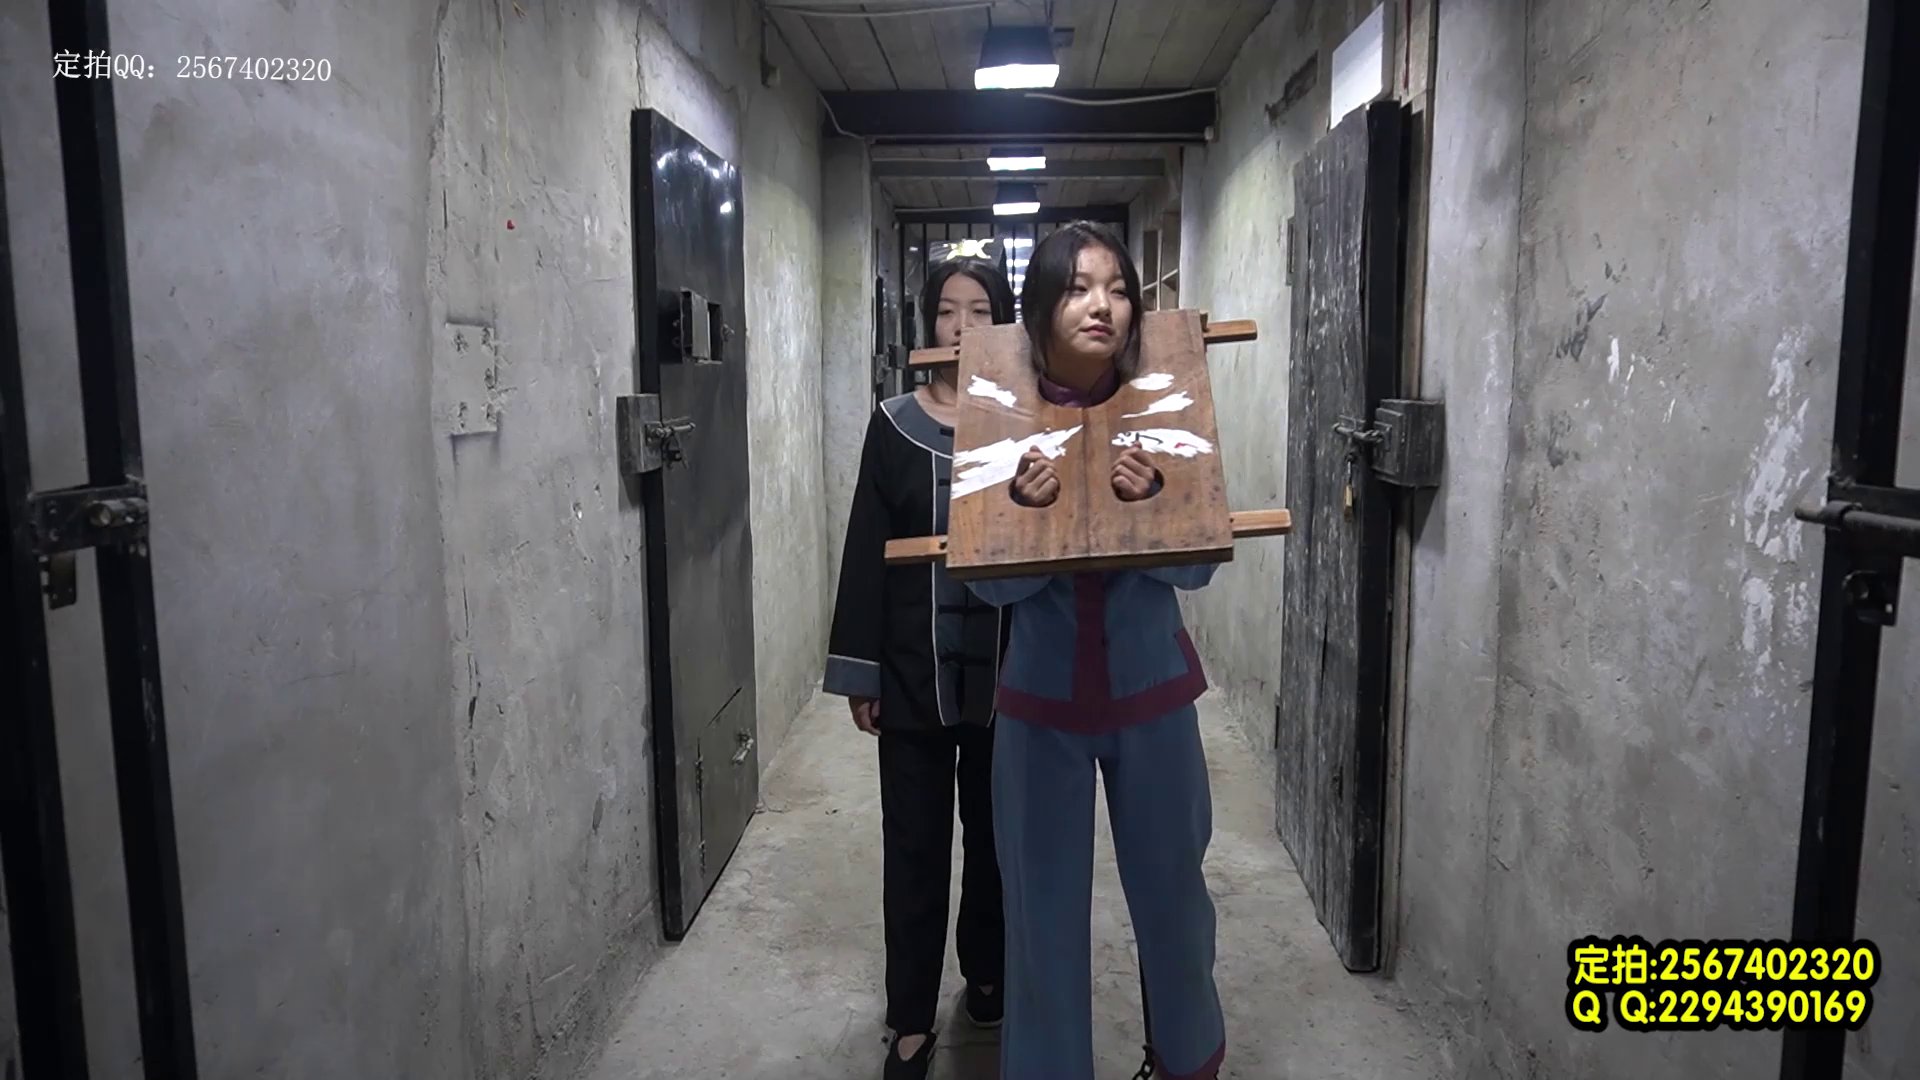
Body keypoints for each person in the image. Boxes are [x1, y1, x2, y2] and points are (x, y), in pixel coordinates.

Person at [966, 221, 1227, 1080]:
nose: (1101, 305)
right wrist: (1030, 517)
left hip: (1153, 699)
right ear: (1039, 310)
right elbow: (990, 590)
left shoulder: (1165, 413)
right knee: (1040, 918)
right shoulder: (997, 425)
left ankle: (1186, 1063)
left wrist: (1148, 509)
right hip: (1040, 710)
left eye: (1117, 289)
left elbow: (1198, 567)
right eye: (1078, 288)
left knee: (1177, 907)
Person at [825, 256, 1017, 1080]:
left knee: (997, 836)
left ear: (1004, 322)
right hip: (912, 673)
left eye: (980, 310)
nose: (962, 326)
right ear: (927, 322)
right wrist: (860, 672)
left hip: (1007, 674)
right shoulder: (893, 423)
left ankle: (988, 972)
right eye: (947, 310)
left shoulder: (1027, 421)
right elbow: (866, 548)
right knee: (913, 846)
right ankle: (909, 1019)